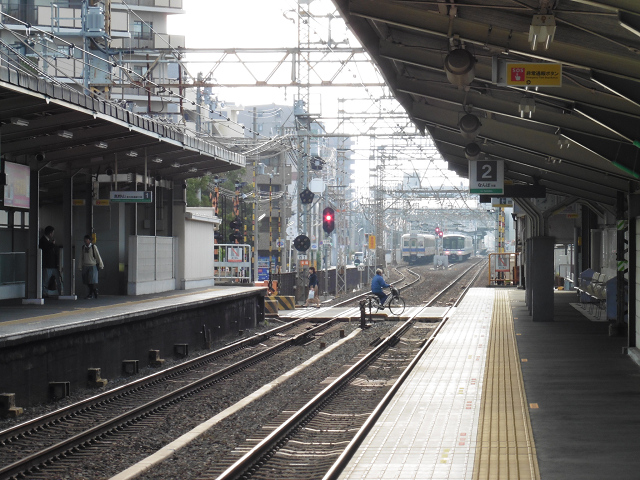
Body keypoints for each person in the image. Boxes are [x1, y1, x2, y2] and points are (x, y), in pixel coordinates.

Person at [80, 234, 104, 299]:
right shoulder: (83, 247)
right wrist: (80, 266)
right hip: (85, 265)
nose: (85, 241)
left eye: (87, 239)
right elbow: (81, 257)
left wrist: (101, 264)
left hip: (92, 265)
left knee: (91, 281)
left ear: (90, 240)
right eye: (85, 239)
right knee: (86, 281)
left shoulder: (93, 247)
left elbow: (97, 256)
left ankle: (90, 294)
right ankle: (94, 290)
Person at [39, 225, 60, 297]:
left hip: (52, 264)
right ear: (50, 233)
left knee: (47, 279)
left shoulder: (47, 241)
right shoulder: (43, 241)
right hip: (48, 264)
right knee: (45, 280)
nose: (53, 234)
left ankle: (45, 292)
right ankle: (44, 292)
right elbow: (46, 249)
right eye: (52, 233)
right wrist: (52, 244)